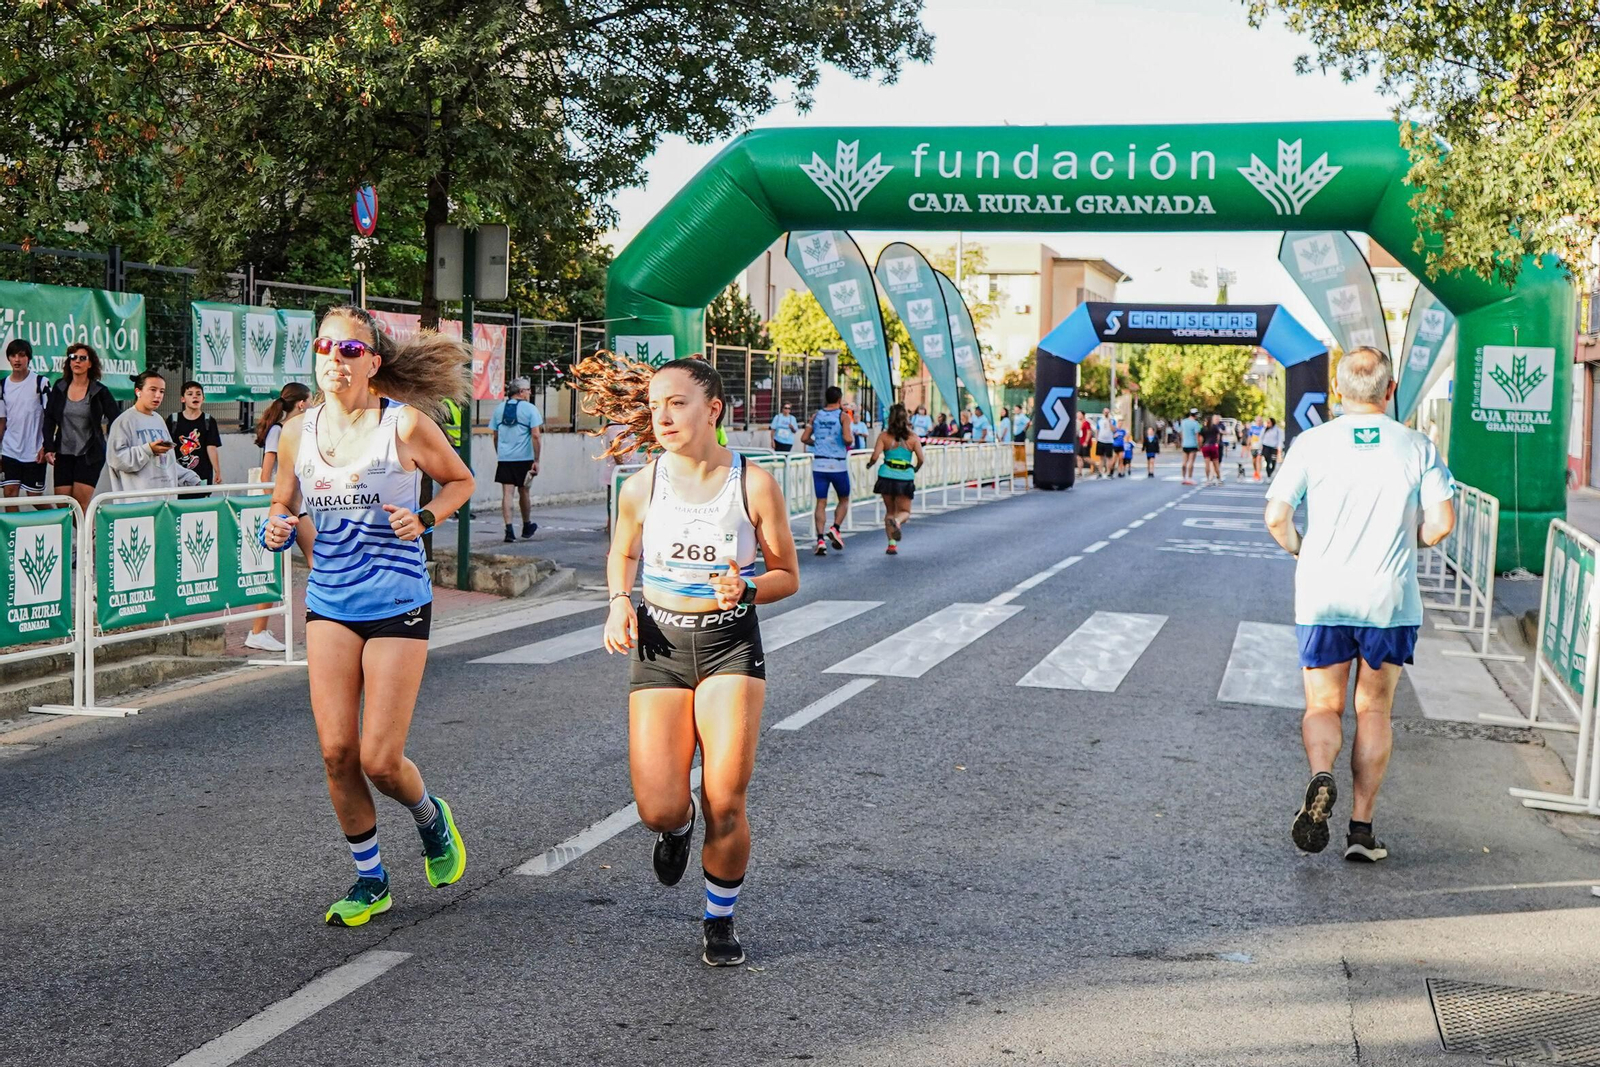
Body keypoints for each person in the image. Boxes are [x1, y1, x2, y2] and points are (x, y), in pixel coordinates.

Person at [576, 350, 800, 967]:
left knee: (725, 796)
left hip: (730, 644)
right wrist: (619, 602)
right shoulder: (640, 485)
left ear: (713, 409)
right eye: (655, 406)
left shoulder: (753, 483)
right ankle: (676, 830)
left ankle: (718, 918)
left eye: (677, 403)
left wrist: (748, 587)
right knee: (660, 805)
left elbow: (788, 574)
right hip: (660, 645)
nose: (664, 416)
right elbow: (623, 555)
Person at [260, 304, 475, 926]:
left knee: (380, 758)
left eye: (350, 351)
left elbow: (459, 482)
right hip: (329, 599)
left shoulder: (402, 425)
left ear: (373, 363)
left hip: (397, 600)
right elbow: (285, 500)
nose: (335, 360)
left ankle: (432, 818)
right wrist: (279, 525)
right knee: (336, 753)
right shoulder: (298, 431)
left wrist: (426, 518)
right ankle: (370, 879)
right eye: (326, 348)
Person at [1264, 347, 1455, 864]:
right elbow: (1440, 524)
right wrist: (1406, 537)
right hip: (1388, 600)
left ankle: (1319, 775)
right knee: (1374, 710)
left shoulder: (1311, 444)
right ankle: (1361, 830)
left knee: (1322, 706)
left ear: (1337, 391)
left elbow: (1277, 518)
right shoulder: (1417, 446)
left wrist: (1306, 551)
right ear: (1390, 391)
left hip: (1323, 595)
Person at [248, 382, 313, 653]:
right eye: (309, 402)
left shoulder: (292, 429)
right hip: (285, 506)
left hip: (293, 504)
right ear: (301, 404)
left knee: (309, 561)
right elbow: (266, 475)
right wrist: (277, 507)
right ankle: (257, 630)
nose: (311, 407)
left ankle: (260, 629)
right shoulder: (281, 430)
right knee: (301, 563)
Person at [42, 342, 121, 514]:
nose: (77, 361)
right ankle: (87, 535)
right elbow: (49, 418)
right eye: (73, 357)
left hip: (90, 454)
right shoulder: (60, 387)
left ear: (90, 363)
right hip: (64, 452)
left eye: (82, 358)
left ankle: (88, 540)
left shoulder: (99, 391)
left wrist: (117, 446)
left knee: (80, 503)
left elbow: (117, 419)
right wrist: (48, 446)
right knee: (63, 503)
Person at [105, 371, 204, 496]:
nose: (158, 395)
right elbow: (116, 459)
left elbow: (167, 461)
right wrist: (148, 449)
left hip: (164, 502)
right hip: (137, 502)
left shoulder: (158, 419)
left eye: (162, 391)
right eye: (153, 390)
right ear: (138, 391)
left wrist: (189, 477)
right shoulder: (124, 421)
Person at [801, 385, 852, 556]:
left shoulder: (816, 416)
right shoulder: (843, 416)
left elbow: (804, 438)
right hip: (837, 464)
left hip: (819, 464)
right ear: (839, 399)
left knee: (820, 502)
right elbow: (847, 438)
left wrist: (819, 443)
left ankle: (820, 540)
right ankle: (836, 528)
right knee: (844, 499)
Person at [868, 402, 925, 555]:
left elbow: (875, 456)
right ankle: (898, 522)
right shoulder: (913, 438)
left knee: (890, 511)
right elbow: (921, 458)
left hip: (886, 476)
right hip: (904, 477)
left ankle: (891, 544)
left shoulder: (884, 436)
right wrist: (915, 469)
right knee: (905, 511)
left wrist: (870, 464)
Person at [491, 377, 543, 543]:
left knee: (507, 493)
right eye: (528, 390)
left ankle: (509, 529)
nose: (530, 392)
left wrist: (500, 453)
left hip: (505, 458)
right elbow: (536, 435)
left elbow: (495, 435)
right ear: (521, 392)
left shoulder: (499, 409)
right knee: (524, 491)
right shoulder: (530, 409)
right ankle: (526, 525)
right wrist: (537, 459)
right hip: (524, 458)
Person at [1, 339, 51, 510]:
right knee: (9, 494)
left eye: (21, 355)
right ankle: (12, 536)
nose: (17, 359)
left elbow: (50, 416)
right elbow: (2, 420)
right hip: (9, 450)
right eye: (13, 355)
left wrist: (47, 446)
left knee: (35, 498)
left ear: (28, 358)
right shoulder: (3, 386)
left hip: (34, 451)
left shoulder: (40, 382)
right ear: (8, 358)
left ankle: (59, 526)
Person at [166, 380, 223, 488]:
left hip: (202, 474)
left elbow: (211, 447)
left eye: (198, 394)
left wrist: (217, 471)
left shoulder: (209, 421)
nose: (195, 397)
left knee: (201, 502)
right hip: (177, 474)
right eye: (190, 394)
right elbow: (167, 447)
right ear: (183, 399)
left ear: (203, 398)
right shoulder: (173, 420)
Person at [1200, 413, 1224, 486]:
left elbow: (1201, 438)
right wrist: (1216, 443)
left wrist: (1200, 445)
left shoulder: (1203, 428)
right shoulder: (1215, 427)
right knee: (1216, 464)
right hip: (1213, 446)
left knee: (1207, 464)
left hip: (1206, 446)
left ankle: (1208, 480)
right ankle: (1219, 479)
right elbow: (1218, 436)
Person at [1178, 407, 1201, 485]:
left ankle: (1183, 477)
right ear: (1195, 415)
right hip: (1193, 444)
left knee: (1184, 462)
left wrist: (1182, 441)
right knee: (1191, 462)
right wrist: (1199, 445)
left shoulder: (1184, 422)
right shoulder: (1195, 423)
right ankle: (1190, 477)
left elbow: (1181, 433)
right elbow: (1197, 435)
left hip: (1185, 444)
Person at [1095, 411, 1117, 478]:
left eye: (1107, 412)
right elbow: (1097, 429)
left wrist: (1109, 422)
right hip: (1101, 440)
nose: (1106, 413)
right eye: (1105, 412)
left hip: (1109, 441)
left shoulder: (1112, 420)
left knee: (1108, 458)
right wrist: (1096, 438)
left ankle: (1108, 472)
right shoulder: (1100, 420)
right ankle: (1100, 472)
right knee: (1101, 458)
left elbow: (1114, 430)